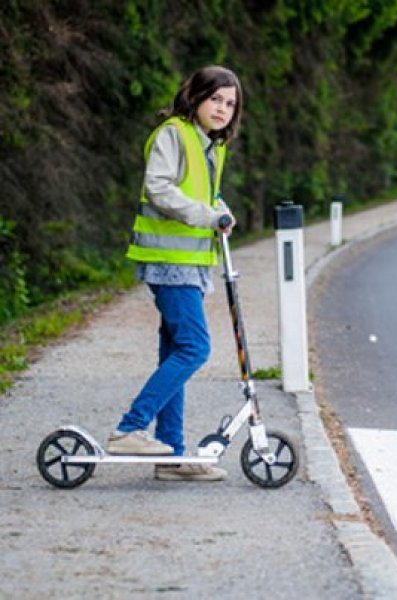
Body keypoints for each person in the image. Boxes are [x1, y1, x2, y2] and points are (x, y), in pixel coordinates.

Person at [107, 65, 242, 482]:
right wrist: (208, 215)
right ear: (196, 97)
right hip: (169, 261)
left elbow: (204, 193)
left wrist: (221, 209)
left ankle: (171, 453)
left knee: (174, 351)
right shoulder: (174, 133)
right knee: (194, 348)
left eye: (230, 104)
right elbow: (160, 188)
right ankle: (130, 428)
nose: (222, 109)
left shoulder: (211, 146)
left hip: (190, 264)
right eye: (215, 99)